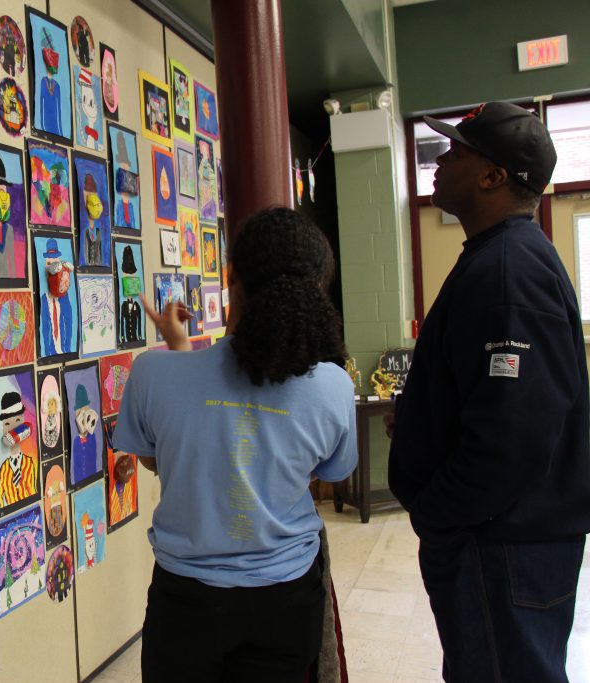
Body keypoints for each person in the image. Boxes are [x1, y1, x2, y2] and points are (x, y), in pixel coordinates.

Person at [386, 101, 589, 682]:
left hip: (500, 546)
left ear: (493, 176)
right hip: (502, 541)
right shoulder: (499, 257)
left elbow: (513, 440)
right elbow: (497, 402)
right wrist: (428, 421)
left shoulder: (509, 270)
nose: (440, 161)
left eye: (456, 150)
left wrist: (437, 513)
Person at [113, 207, 357, 682]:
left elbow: (157, 458)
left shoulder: (153, 373)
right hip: (286, 600)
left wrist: (180, 353)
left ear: (231, 278)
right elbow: (330, 472)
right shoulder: (333, 386)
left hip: (186, 602)